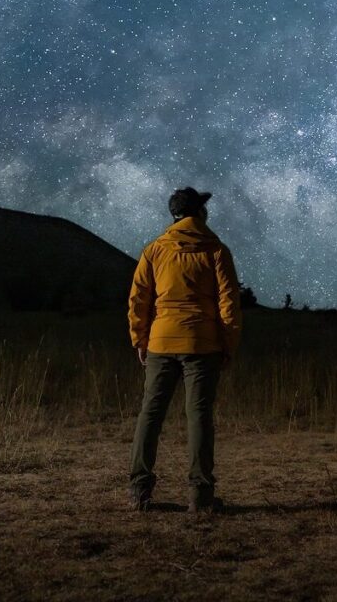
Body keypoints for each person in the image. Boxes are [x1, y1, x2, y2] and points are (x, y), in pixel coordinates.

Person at [127, 187, 243, 513]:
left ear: (174, 215)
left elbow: (139, 300)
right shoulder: (217, 252)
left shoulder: (154, 250)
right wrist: (228, 344)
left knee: (150, 414)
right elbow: (228, 305)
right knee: (200, 417)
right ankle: (201, 497)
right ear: (199, 213)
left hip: (161, 342)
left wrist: (140, 339)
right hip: (202, 345)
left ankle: (139, 490)